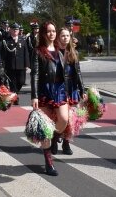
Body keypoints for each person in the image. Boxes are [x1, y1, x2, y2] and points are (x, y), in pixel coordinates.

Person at [31, 22, 85, 176]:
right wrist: (34, 95)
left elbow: (67, 74)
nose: (51, 34)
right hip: (44, 92)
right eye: (48, 31)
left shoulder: (60, 52)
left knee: (64, 119)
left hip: (60, 91)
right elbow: (34, 74)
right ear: (43, 34)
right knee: (46, 128)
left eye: (53, 31)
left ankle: (55, 137)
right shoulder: (38, 52)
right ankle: (49, 163)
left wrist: (77, 90)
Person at [1, 22, 29, 95]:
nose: (15, 30)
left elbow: (25, 52)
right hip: (10, 65)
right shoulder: (6, 41)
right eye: (14, 29)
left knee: (21, 81)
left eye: (17, 29)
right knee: (12, 82)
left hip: (21, 65)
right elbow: (3, 55)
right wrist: (3, 66)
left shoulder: (22, 40)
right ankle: (15, 96)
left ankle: (15, 94)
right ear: (10, 30)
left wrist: (27, 64)